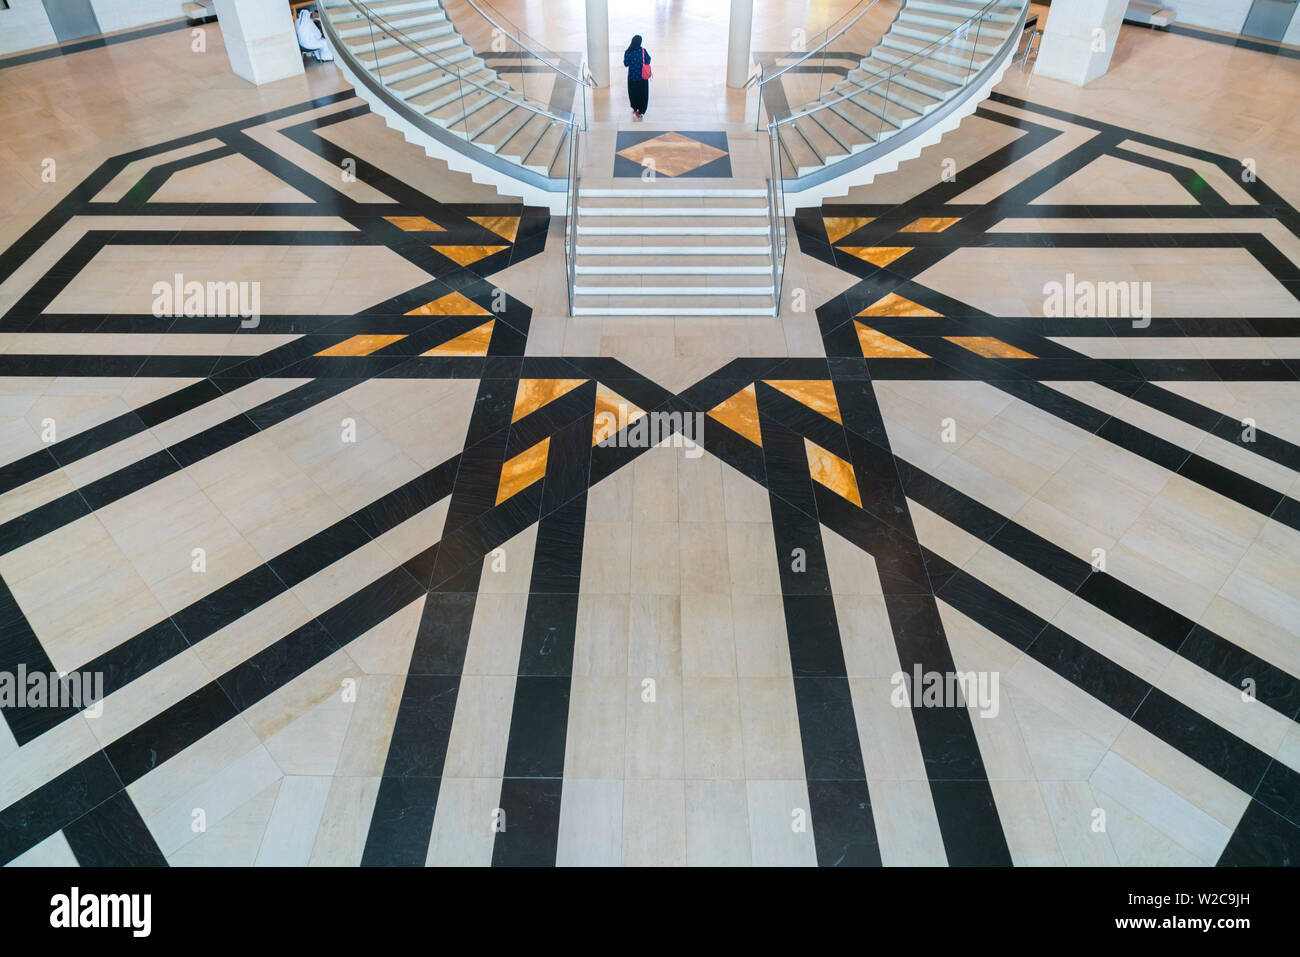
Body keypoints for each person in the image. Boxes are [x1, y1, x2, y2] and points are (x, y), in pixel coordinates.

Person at [623, 35, 650, 119]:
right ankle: (641, 110)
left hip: (632, 77)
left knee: (633, 93)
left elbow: (626, 64)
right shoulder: (643, 51)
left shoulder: (628, 52)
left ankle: (635, 108)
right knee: (643, 94)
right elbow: (648, 60)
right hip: (642, 77)